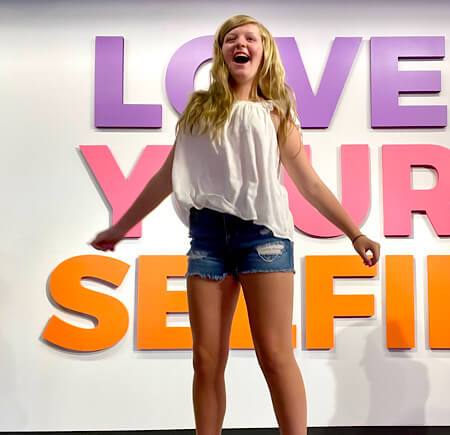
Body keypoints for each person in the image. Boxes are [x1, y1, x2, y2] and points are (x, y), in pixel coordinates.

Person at [90, 14, 380, 435]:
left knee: (275, 354)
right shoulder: (196, 112)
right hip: (207, 237)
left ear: (263, 53)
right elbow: (165, 178)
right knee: (206, 359)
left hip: (262, 237)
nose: (239, 43)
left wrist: (356, 233)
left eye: (250, 38)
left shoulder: (276, 116)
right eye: (231, 38)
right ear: (222, 53)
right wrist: (121, 227)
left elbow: (311, 185)